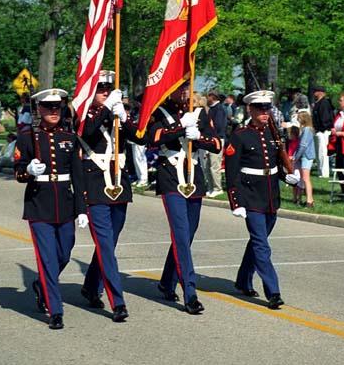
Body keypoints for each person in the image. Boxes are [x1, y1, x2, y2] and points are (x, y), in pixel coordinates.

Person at [14, 88, 87, 330]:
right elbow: (18, 171)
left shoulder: (69, 137)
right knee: (47, 259)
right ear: (39, 109)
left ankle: (40, 285)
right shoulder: (26, 137)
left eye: (57, 107)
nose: (54, 111)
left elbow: (78, 176)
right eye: (48, 107)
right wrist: (28, 171)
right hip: (39, 205)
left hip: (65, 204)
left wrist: (82, 209)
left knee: (64, 253)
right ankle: (55, 310)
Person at [147, 81, 221, 315]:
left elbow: (217, 144)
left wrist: (198, 137)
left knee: (187, 234)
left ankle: (167, 281)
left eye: (187, 87)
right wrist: (180, 127)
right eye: (179, 87)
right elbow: (152, 138)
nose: (184, 92)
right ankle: (190, 293)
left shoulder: (200, 113)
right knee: (180, 232)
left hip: (194, 176)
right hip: (170, 174)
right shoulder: (158, 111)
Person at [77, 70, 145, 323]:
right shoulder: (83, 113)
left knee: (109, 243)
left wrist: (125, 117)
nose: (105, 92)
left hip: (118, 183)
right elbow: (86, 132)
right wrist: (106, 107)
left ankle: (90, 285)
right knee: (105, 244)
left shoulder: (116, 112)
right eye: (101, 88)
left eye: (108, 88)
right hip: (94, 185)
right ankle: (117, 301)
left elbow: (140, 137)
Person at [225, 90, 299, 310]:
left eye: (267, 108)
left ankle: (243, 280)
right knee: (261, 245)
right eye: (260, 109)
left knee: (258, 241)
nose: (265, 113)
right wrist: (235, 202)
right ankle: (273, 291)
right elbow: (232, 171)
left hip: (270, 195)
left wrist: (288, 177)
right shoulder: (240, 134)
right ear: (251, 109)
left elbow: (274, 165)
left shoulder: (273, 133)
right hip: (250, 196)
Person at [204, 89, 226, 197]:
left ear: (213, 97)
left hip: (217, 139)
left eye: (208, 96)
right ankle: (211, 187)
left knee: (214, 165)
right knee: (208, 165)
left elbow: (219, 126)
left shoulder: (219, 109)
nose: (207, 98)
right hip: (210, 139)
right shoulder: (212, 109)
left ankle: (218, 188)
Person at [293, 111, 316, 208]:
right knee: (302, 179)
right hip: (305, 156)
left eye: (299, 118)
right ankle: (301, 198)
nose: (298, 120)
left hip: (306, 156)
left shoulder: (307, 129)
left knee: (306, 179)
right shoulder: (307, 129)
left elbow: (303, 145)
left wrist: (296, 156)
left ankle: (309, 200)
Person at [312, 86, 334, 178]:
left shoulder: (324, 103)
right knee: (319, 153)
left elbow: (326, 118)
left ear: (320, 92)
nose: (314, 93)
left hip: (323, 131)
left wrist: (321, 128)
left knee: (323, 153)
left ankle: (324, 173)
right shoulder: (318, 103)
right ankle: (320, 171)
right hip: (319, 131)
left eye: (315, 91)